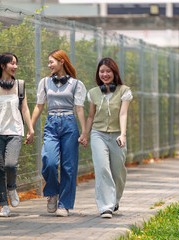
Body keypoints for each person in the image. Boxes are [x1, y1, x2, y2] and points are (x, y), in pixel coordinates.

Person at [31, 49, 87, 217]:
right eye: (48, 62)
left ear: (62, 61)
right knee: (49, 161)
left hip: (69, 124)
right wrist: (31, 127)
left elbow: (79, 109)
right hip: (51, 123)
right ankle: (52, 193)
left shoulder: (77, 84)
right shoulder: (44, 83)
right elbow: (39, 106)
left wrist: (84, 132)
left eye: (51, 62)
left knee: (69, 167)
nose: (49, 65)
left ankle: (64, 204)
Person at [0, 52, 34, 217]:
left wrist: (31, 129)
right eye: (12, 63)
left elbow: (25, 108)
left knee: (11, 164)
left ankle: (12, 187)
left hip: (15, 132)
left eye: (16, 63)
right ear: (2, 66)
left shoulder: (20, 85)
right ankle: (4, 205)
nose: (15, 66)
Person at [85, 57, 132, 218]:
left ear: (114, 73)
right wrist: (85, 134)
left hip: (117, 134)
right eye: (102, 71)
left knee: (118, 171)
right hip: (98, 134)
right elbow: (91, 117)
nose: (105, 74)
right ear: (98, 73)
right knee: (102, 168)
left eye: (108, 71)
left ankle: (115, 199)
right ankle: (106, 206)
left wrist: (123, 134)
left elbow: (123, 113)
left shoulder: (124, 91)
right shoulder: (93, 93)